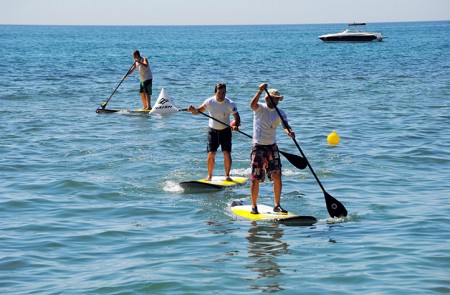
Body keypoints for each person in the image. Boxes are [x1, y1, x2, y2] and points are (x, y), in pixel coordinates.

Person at [249, 83, 295, 214]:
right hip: (258, 146)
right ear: (267, 99)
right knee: (255, 177)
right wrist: (259, 91)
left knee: (277, 175)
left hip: (272, 147)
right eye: (274, 98)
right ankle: (254, 206)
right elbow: (251, 105)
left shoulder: (280, 113)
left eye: (277, 99)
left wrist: (289, 132)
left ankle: (277, 205)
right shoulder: (260, 108)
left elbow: (286, 126)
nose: (276, 101)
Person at [188, 83, 241, 181]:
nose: (221, 95)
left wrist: (236, 126)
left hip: (226, 130)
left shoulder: (230, 103)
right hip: (212, 131)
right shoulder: (209, 102)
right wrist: (192, 110)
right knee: (211, 153)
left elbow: (237, 118)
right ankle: (209, 176)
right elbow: (198, 111)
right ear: (215, 92)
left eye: (223, 93)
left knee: (226, 153)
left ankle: (227, 175)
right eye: (219, 93)